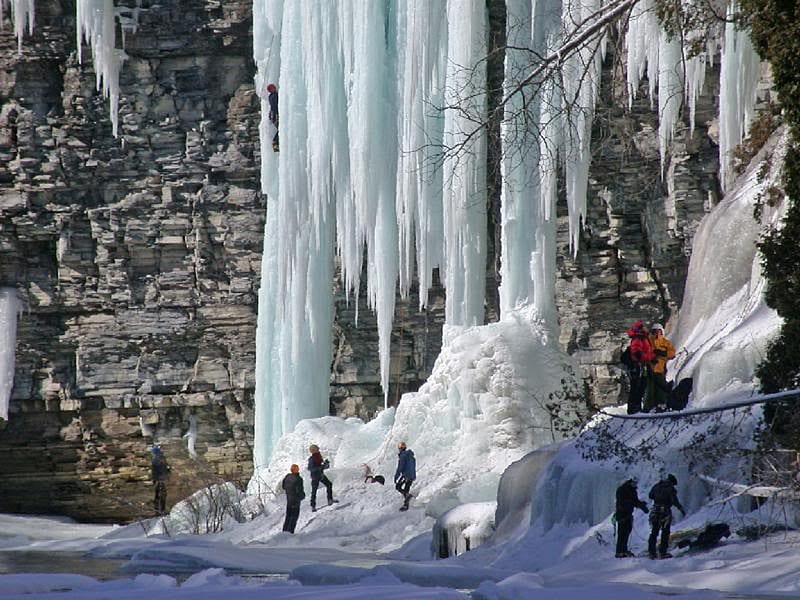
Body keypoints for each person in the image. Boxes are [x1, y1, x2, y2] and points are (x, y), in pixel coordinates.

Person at [648, 473, 686, 559]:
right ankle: (663, 553)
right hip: (665, 512)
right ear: (672, 482)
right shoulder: (671, 488)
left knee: (654, 532)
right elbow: (674, 501)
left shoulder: (656, 485)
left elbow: (650, 495)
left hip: (655, 511)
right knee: (665, 533)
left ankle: (651, 553)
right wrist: (681, 509)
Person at [624, 321, 654, 414]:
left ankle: (635, 407)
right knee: (637, 386)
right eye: (644, 326)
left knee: (640, 386)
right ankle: (634, 408)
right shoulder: (638, 338)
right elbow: (637, 351)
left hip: (641, 365)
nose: (646, 328)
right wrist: (643, 358)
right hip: (638, 366)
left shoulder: (642, 338)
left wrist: (651, 358)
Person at [645, 323, 676, 412]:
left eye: (659, 331)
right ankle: (653, 405)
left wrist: (663, 353)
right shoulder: (649, 342)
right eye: (655, 331)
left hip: (660, 368)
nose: (657, 333)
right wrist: (651, 357)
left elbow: (672, 353)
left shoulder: (665, 342)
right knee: (652, 388)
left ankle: (661, 403)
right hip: (650, 368)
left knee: (660, 387)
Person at [614, 478, 649, 558]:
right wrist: (639, 505)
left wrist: (642, 505)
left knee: (626, 532)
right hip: (622, 514)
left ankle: (623, 550)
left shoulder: (630, 490)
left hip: (627, 514)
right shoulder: (624, 490)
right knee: (622, 533)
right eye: (634, 482)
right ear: (630, 482)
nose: (635, 484)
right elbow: (626, 502)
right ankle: (620, 552)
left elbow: (635, 501)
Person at [307, 444, 337, 511]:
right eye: (317, 449)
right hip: (315, 477)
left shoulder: (318, 456)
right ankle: (313, 506)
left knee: (329, 484)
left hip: (320, 475)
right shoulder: (311, 459)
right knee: (314, 491)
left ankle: (330, 500)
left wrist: (326, 464)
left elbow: (323, 467)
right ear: (314, 450)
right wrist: (321, 467)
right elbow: (310, 468)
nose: (318, 450)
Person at [282, 464, 305, 534]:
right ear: (297, 470)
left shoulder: (287, 477)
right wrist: (302, 496)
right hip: (296, 500)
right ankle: (290, 532)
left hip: (289, 499)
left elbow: (283, 487)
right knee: (294, 517)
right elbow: (300, 490)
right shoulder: (299, 479)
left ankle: (284, 531)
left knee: (288, 516)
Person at [394, 441, 416, 511]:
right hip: (412, 475)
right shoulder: (411, 456)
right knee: (406, 489)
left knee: (398, 486)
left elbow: (400, 468)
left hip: (406, 475)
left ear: (400, 449)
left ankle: (407, 503)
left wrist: (396, 476)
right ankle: (407, 499)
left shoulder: (403, 456)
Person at [150, 445, 170, 515]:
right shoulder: (161, 459)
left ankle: (158, 510)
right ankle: (160, 510)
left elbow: (157, 471)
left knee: (159, 495)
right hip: (160, 479)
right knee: (160, 495)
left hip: (159, 480)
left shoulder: (156, 459)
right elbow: (167, 469)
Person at [266, 82, 279, 152]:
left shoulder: (271, 96)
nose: (275, 88)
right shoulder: (274, 96)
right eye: (274, 87)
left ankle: (276, 143)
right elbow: (274, 107)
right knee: (281, 128)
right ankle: (275, 143)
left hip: (273, 116)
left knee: (280, 129)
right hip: (275, 116)